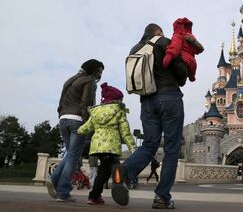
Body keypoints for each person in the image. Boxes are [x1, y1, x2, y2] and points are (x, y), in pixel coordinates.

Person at [111, 23, 190, 209]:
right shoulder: (164, 42)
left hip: (146, 102)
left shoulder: (135, 49)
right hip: (169, 97)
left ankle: (125, 170)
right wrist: (183, 74)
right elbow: (181, 72)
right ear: (158, 32)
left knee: (149, 144)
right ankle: (162, 197)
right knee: (171, 148)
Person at [46, 59, 104, 202]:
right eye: (99, 71)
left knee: (71, 154)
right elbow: (86, 104)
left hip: (63, 119)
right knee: (73, 157)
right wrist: (88, 124)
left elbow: (60, 102)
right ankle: (63, 192)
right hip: (77, 120)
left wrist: (61, 115)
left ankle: (53, 179)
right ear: (93, 70)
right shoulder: (88, 82)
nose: (99, 75)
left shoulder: (70, 80)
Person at [78, 82, 136, 205]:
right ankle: (110, 188)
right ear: (117, 99)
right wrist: (132, 147)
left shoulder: (95, 112)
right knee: (107, 171)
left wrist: (78, 131)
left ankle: (97, 195)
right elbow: (125, 132)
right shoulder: (119, 110)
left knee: (105, 170)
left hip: (97, 147)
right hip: (111, 147)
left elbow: (87, 127)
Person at [162, 17, 204, 82]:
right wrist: (194, 41)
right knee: (190, 70)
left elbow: (175, 47)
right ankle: (192, 76)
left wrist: (168, 56)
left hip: (183, 59)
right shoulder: (190, 37)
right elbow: (200, 50)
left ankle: (188, 77)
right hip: (192, 63)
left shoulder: (177, 36)